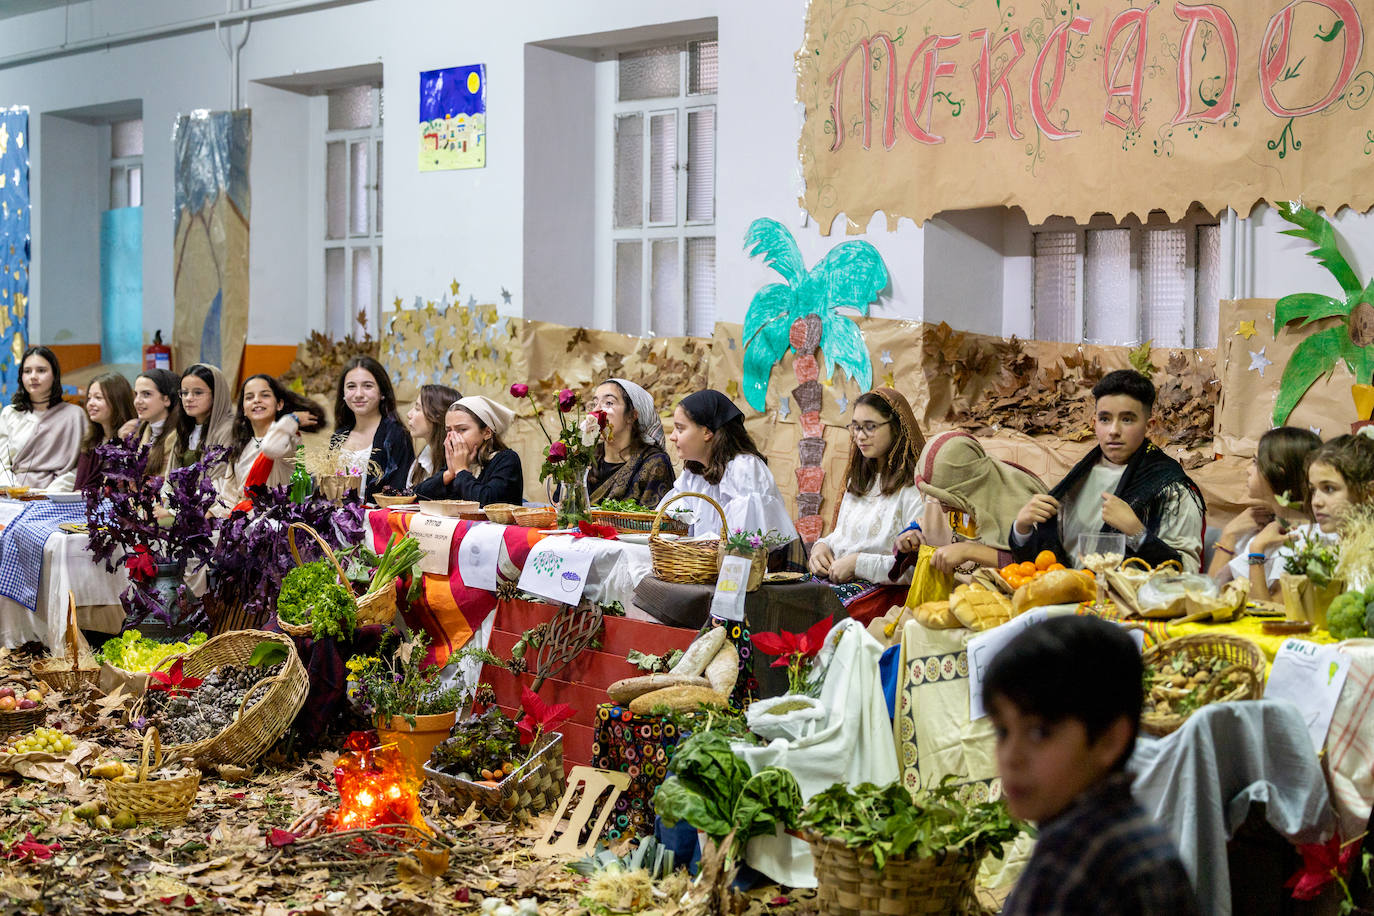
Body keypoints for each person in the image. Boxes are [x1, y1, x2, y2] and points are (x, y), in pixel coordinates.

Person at [986, 615, 1200, 915]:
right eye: (1002, 732)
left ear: (1109, 740)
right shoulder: (1122, 831)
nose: (1010, 756)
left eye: (1039, 732)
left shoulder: (1073, 862)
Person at [1011, 369, 1205, 571]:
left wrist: (1137, 533)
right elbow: (1044, 563)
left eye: (1127, 419)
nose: (1113, 431)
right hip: (1066, 596)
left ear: (1149, 426)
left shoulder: (1171, 486)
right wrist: (1022, 528)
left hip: (1124, 602)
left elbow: (1188, 573)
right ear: (1094, 424)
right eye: (1105, 419)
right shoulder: (1080, 475)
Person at [808, 389, 925, 623]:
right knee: (779, 599)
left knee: (813, 617)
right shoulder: (859, 479)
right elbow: (844, 534)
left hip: (886, 593)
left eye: (870, 426)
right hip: (840, 580)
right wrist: (821, 547)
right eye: (855, 427)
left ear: (896, 427)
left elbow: (916, 568)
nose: (860, 436)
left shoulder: (915, 489)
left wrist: (857, 564)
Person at [897, 430, 1047, 574]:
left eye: (948, 501)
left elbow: (1038, 563)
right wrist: (911, 538)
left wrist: (970, 551)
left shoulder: (1018, 503)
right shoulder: (941, 497)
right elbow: (931, 525)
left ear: (971, 488)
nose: (943, 510)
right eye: (941, 501)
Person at [659, 389, 797, 543]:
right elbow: (669, 520)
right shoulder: (694, 474)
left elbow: (744, 542)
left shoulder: (744, 469)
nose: (672, 437)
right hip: (701, 562)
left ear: (706, 432)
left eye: (680, 429)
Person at [1210, 427, 1322, 600]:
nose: (1248, 470)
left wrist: (1257, 551)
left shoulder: (1307, 541)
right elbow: (1208, 594)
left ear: (1278, 473)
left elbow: (1273, 615)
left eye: (1255, 462)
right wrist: (1229, 534)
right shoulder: (1258, 525)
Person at [1250, 433, 1374, 586]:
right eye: (1313, 490)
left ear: (1369, 493)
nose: (1316, 502)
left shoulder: (1368, 554)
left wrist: (1256, 552)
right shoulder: (1327, 546)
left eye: (1329, 489)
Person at [222, 374, 325, 507]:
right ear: (243, 409)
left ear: (279, 404)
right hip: (241, 520)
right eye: (249, 397)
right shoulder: (240, 446)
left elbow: (270, 448)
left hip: (276, 521)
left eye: (265, 395)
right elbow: (228, 497)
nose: (256, 400)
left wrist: (292, 419)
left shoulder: (289, 438)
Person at [0, 345, 86, 491]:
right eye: (27, 371)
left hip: (58, 496)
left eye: (41, 370)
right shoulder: (10, 414)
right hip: (16, 495)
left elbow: (81, 466)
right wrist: (16, 491)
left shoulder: (75, 415)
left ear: (54, 375)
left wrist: (49, 493)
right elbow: (2, 464)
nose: (33, 376)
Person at [413, 395, 524, 505]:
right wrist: (449, 474)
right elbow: (415, 496)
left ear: (487, 432)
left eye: (462, 429)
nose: (452, 437)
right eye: (448, 430)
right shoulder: (458, 462)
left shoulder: (506, 459)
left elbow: (489, 503)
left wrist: (462, 471)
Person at [331, 356, 413, 502]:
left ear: (382, 392)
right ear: (343, 393)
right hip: (336, 518)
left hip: (376, 520)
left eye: (367, 386)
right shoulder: (338, 436)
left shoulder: (396, 435)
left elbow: (399, 493)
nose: (358, 394)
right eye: (351, 386)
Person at [586, 378, 675, 508]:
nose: (596, 411)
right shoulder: (586, 459)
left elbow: (652, 523)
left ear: (632, 416)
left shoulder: (654, 464)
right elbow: (561, 509)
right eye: (594, 404)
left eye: (609, 403)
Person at [75, 372, 136, 492]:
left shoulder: (131, 439)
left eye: (98, 398)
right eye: (89, 398)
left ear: (117, 401)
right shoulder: (92, 441)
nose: (90, 403)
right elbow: (79, 488)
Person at [170, 363, 235, 470]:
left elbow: (218, 479)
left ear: (216, 395)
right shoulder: (185, 428)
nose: (189, 398)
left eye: (198, 392)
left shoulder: (228, 430)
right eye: (185, 393)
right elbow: (170, 476)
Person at [120, 368, 181, 479]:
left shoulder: (181, 437)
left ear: (166, 399)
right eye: (136, 394)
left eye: (146, 394)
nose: (137, 401)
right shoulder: (135, 433)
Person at [404, 383, 460, 491]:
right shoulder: (421, 460)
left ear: (437, 416)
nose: (409, 414)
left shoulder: (459, 461)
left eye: (417, 408)